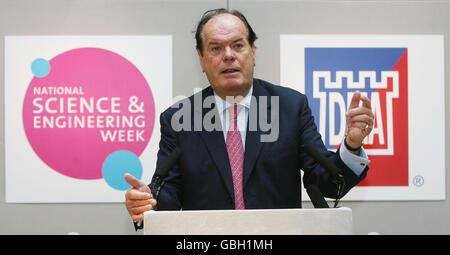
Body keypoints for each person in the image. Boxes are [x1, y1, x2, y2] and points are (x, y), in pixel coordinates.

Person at [124, 8, 374, 228]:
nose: (229, 55)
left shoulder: (290, 108)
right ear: (201, 59)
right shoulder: (178, 119)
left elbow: (327, 184)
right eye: (216, 48)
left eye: (238, 45)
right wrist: (149, 202)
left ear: (253, 52)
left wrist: (351, 145)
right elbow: (168, 194)